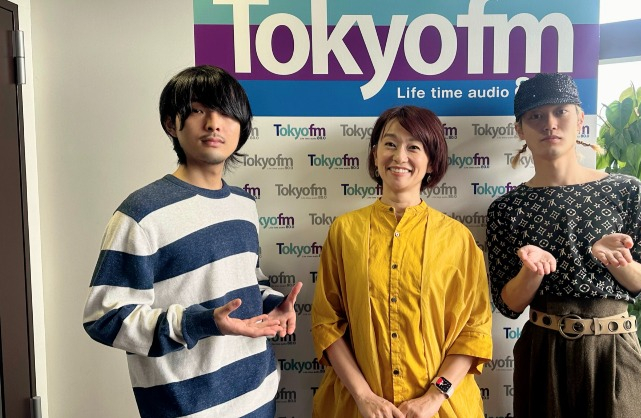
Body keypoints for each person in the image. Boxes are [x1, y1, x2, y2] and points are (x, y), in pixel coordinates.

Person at [83, 65, 302, 418]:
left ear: (241, 126)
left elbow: (246, 280)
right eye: (199, 110)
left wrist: (273, 304)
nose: (214, 124)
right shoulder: (141, 213)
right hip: (186, 408)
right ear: (171, 124)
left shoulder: (243, 204)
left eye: (226, 113)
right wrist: (199, 322)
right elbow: (104, 317)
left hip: (258, 397)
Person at [486, 73, 641, 417]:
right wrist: (532, 271)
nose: (549, 124)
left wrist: (619, 262)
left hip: (614, 350)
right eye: (536, 116)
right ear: (520, 129)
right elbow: (507, 306)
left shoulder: (627, 191)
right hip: (543, 354)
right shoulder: (507, 209)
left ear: (580, 119)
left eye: (560, 112)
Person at [311, 105, 493, 417]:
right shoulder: (344, 231)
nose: (399, 156)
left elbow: (474, 331)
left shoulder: (458, 239)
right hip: (356, 408)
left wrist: (433, 398)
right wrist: (364, 396)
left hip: (442, 410)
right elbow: (326, 323)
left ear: (432, 161)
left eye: (414, 147)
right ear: (374, 154)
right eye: (390, 144)